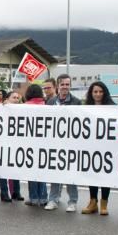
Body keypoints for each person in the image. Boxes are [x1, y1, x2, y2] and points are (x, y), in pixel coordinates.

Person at [45, 73, 81, 212]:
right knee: (55, 173)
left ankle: (72, 201)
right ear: (58, 86)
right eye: (62, 84)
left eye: (67, 84)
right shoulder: (50, 102)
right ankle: (53, 199)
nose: (65, 87)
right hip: (54, 144)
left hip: (70, 144)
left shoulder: (77, 102)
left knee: (70, 174)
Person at [82, 82, 115, 215]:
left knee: (105, 175)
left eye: (100, 91)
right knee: (93, 175)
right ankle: (93, 202)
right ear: (91, 93)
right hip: (91, 146)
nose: (98, 94)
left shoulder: (112, 107)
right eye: (95, 92)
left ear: (105, 92)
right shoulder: (85, 108)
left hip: (107, 146)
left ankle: (104, 203)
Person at [21, 84, 48, 206]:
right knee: (42, 171)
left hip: (29, 144)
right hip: (44, 144)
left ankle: (33, 198)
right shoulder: (47, 106)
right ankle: (43, 197)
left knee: (31, 171)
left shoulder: (24, 107)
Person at [0, 91, 24, 202]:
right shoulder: (1, 109)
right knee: (3, 168)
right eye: (14, 97)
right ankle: (4, 192)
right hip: (3, 142)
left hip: (16, 143)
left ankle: (16, 192)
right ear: (7, 99)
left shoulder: (21, 109)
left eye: (18, 97)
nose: (16, 99)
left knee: (15, 168)